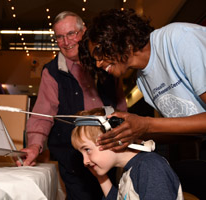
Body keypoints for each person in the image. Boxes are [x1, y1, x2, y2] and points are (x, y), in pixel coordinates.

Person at [16, 11, 127, 199]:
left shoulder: (104, 61)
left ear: (84, 31)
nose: (66, 42)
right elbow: (43, 112)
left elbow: (120, 104)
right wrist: (35, 145)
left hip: (109, 148)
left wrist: (126, 132)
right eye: (60, 37)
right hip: (73, 155)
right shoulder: (51, 72)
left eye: (71, 34)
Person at [78, 9, 206, 152]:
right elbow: (190, 132)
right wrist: (131, 134)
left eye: (98, 52)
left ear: (117, 36)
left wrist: (146, 124)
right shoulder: (142, 81)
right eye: (94, 59)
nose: (98, 64)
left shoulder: (179, 39)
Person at [71, 107, 183, 200]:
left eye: (87, 150)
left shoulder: (150, 167)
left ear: (115, 136)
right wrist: (101, 177)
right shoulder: (127, 170)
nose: (85, 161)